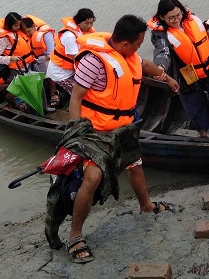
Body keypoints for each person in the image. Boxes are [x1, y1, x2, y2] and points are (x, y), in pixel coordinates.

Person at [63, 15, 180, 263]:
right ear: (125, 43)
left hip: (123, 128)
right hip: (96, 131)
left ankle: (146, 206)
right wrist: (76, 132)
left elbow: (145, 64)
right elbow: (76, 97)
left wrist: (166, 77)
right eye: (137, 44)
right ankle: (75, 236)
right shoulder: (94, 61)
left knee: (135, 166)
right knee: (93, 177)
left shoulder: (129, 56)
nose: (139, 48)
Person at [148, 0, 209, 139]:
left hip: (207, 67)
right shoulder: (160, 34)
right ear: (162, 17)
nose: (176, 20)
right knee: (195, 105)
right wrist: (160, 67)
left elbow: (199, 35)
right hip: (185, 74)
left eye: (178, 15)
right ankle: (203, 136)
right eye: (170, 18)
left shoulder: (190, 18)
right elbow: (162, 52)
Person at [45, 8, 96, 106]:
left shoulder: (86, 31)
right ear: (78, 22)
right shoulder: (69, 37)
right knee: (80, 94)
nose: (89, 26)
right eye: (87, 23)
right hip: (61, 73)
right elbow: (76, 61)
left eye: (91, 23)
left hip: (70, 70)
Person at [0, 12, 36, 80]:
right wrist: (11, 58)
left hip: (29, 63)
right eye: (16, 26)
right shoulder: (4, 39)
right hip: (17, 68)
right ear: (9, 25)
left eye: (19, 25)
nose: (19, 27)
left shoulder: (18, 32)